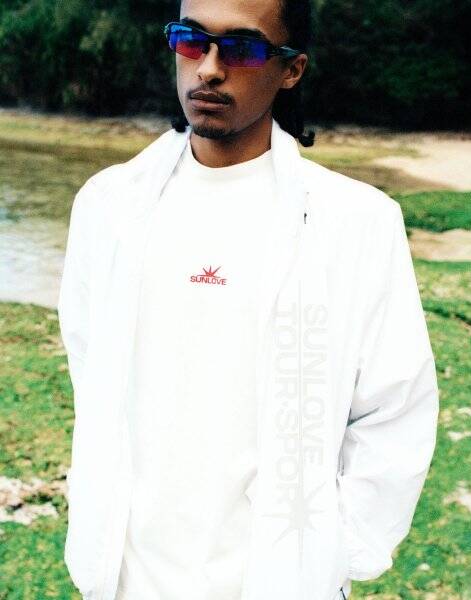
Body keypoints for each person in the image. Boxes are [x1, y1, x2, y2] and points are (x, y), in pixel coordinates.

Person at [57, 0, 440, 599]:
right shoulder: (108, 207)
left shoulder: (356, 222)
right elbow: (91, 370)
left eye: (240, 48)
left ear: (291, 68)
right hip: (127, 578)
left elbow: (396, 407)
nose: (209, 68)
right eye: (192, 41)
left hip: (279, 580)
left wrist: (338, 554)